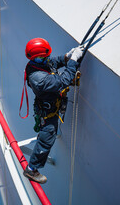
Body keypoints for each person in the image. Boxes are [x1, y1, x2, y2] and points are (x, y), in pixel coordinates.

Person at [22, 38, 83, 184]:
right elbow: (63, 81)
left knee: (47, 134)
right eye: (44, 57)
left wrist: (66, 57)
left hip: (49, 106)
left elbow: (53, 63)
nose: (47, 59)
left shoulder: (36, 63)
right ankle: (31, 169)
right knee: (47, 137)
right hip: (47, 112)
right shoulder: (38, 79)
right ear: (37, 57)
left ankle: (33, 166)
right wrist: (73, 62)